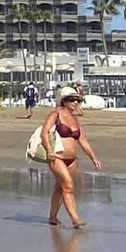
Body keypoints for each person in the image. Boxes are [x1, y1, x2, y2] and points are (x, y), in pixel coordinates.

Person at [40, 86, 102, 228]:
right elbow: (44, 132)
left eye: (77, 100)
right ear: (64, 101)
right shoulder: (55, 114)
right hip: (57, 157)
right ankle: (75, 219)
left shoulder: (75, 119)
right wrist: (49, 150)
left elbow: (83, 140)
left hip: (71, 160)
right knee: (68, 186)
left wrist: (94, 158)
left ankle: (52, 217)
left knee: (60, 188)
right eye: (72, 100)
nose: (75, 102)